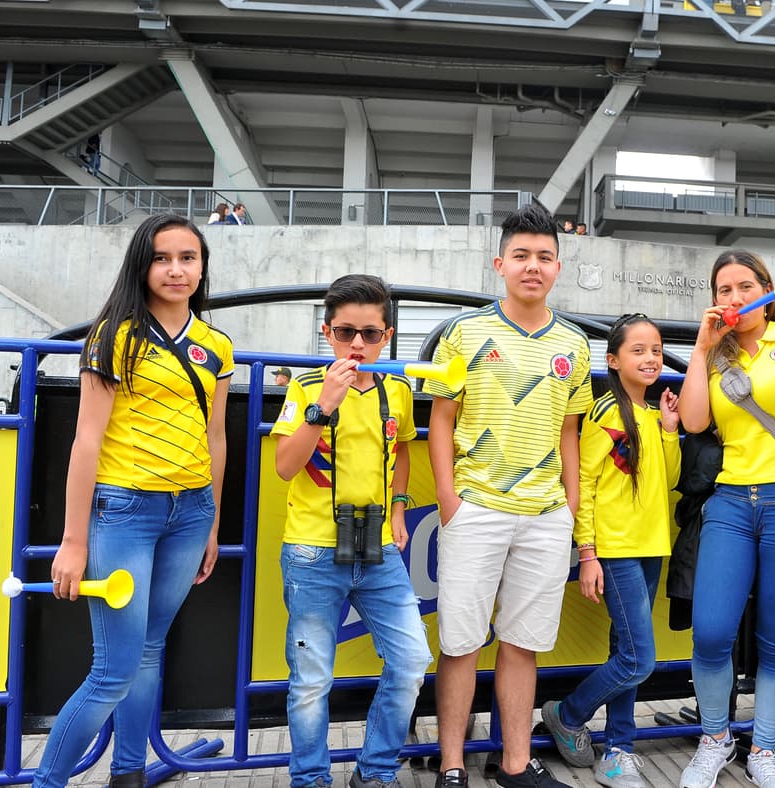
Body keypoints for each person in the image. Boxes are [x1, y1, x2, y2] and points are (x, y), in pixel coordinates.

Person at [32, 213, 231, 788]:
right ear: (142, 265)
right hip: (123, 513)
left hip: (190, 513)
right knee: (113, 669)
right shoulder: (113, 334)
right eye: (162, 257)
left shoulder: (216, 344)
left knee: (148, 649)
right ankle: (48, 782)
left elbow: (215, 438)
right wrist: (73, 541)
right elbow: (85, 438)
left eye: (187, 258)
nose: (176, 269)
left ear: (202, 266)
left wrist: (212, 521)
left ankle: (128, 774)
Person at [426, 203, 592, 788]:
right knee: (461, 643)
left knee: (524, 644)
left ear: (558, 266)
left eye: (544, 257)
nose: (532, 266)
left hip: (546, 515)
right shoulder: (464, 333)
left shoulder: (575, 345)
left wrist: (569, 510)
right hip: (477, 509)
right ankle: (451, 764)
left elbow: (571, 434)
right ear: (500, 263)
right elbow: (441, 420)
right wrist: (450, 500)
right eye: (521, 255)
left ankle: (516, 763)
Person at [675, 250, 775, 788]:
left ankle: (763, 750)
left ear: (768, 291)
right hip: (730, 503)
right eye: (724, 289)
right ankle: (716, 739)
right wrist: (700, 349)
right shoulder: (715, 356)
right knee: (712, 631)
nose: (734, 298)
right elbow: (696, 419)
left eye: (746, 286)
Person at [271, 274, 432, 788]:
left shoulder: (399, 391)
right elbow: (284, 465)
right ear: (327, 333)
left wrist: (401, 507)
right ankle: (311, 778)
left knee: (411, 661)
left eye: (369, 333)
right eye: (345, 333)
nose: (357, 345)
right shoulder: (304, 388)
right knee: (312, 681)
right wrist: (325, 406)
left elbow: (402, 448)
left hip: (380, 549)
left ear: (387, 335)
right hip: (313, 551)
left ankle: (377, 771)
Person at [541, 314, 681, 788]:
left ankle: (619, 748)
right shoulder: (605, 413)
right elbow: (584, 482)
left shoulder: (650, 412)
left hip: (650, 547)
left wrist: (668, 429)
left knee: (625, 650)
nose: (650, 358)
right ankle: (567, 711)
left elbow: (673, 478)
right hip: (616, 550)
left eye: (656, 350)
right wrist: (588, 552)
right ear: (613, 360)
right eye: (638, 350)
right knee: (639, 659)